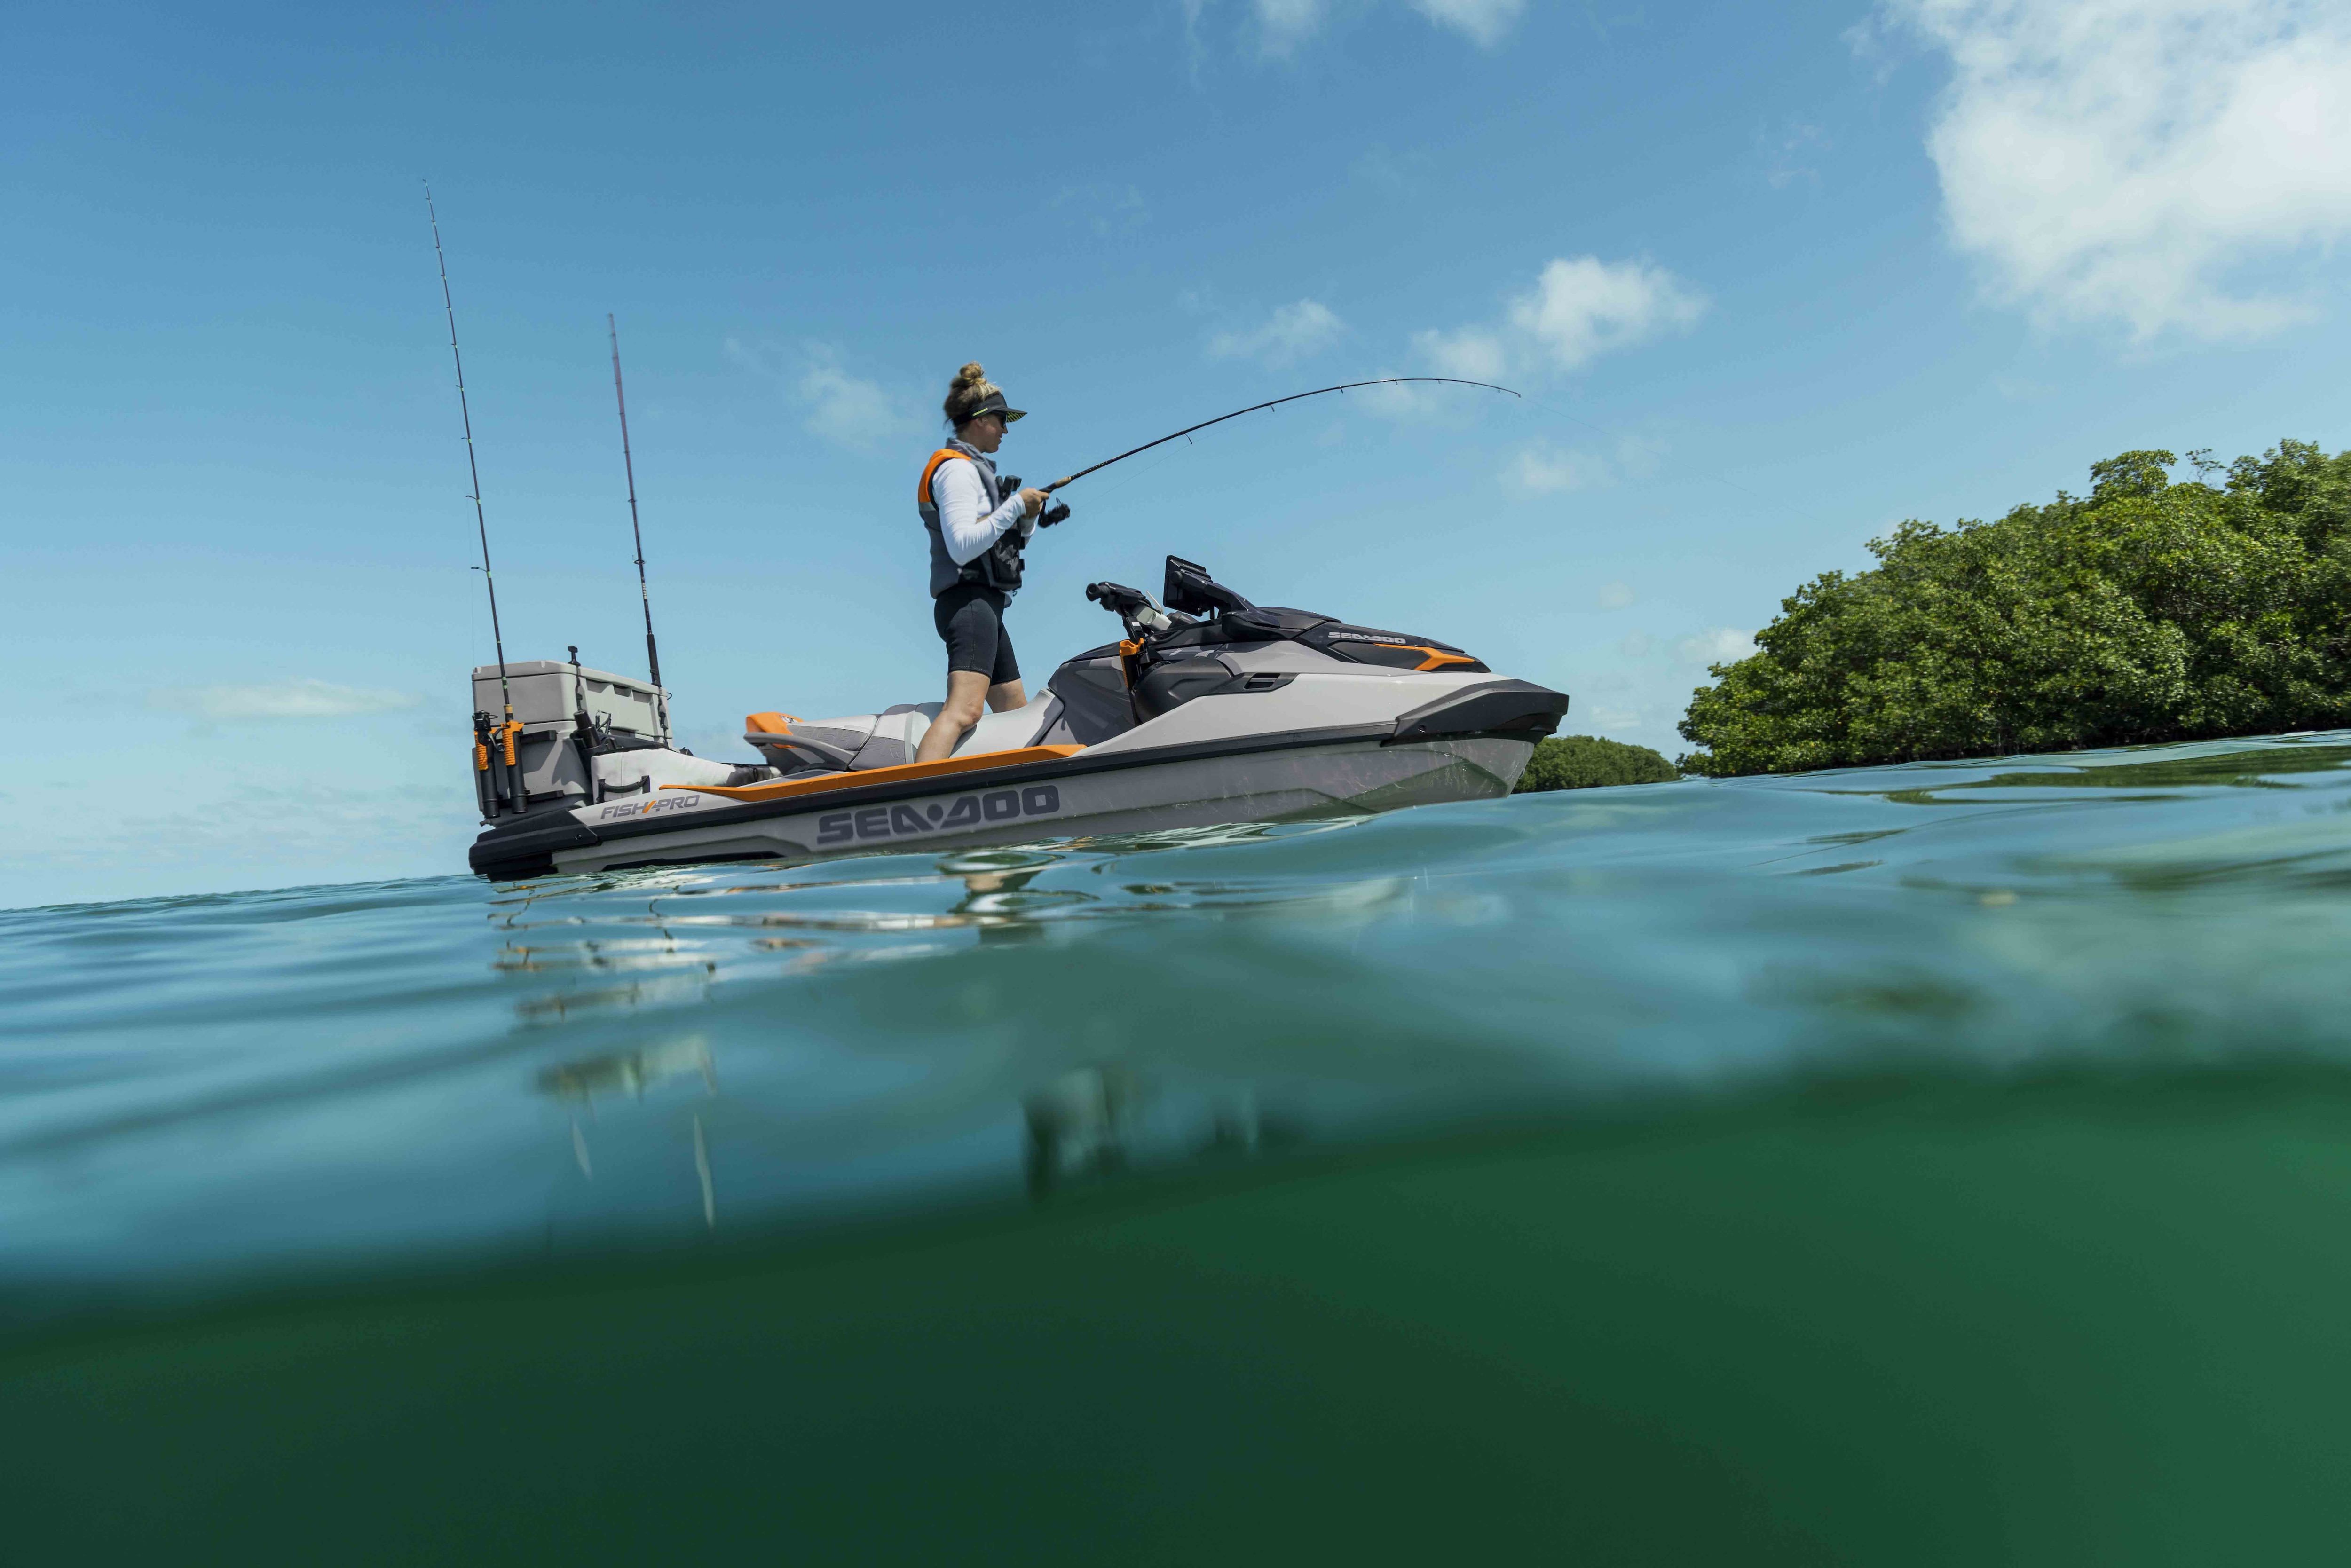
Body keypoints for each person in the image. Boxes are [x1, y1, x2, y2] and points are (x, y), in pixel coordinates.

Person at [913, 362, 1050, 764]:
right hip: (969, 605)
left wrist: (1026, 518)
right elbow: (961, 547)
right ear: (978, 420)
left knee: (1017, 717)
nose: (1006, 430)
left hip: (985, 608)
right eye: (1001, 421)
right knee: (966, 711)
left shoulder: (974, 472)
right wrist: (1012, 508)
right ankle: (915, 801)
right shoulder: (955, 471)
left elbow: (1003, 538)